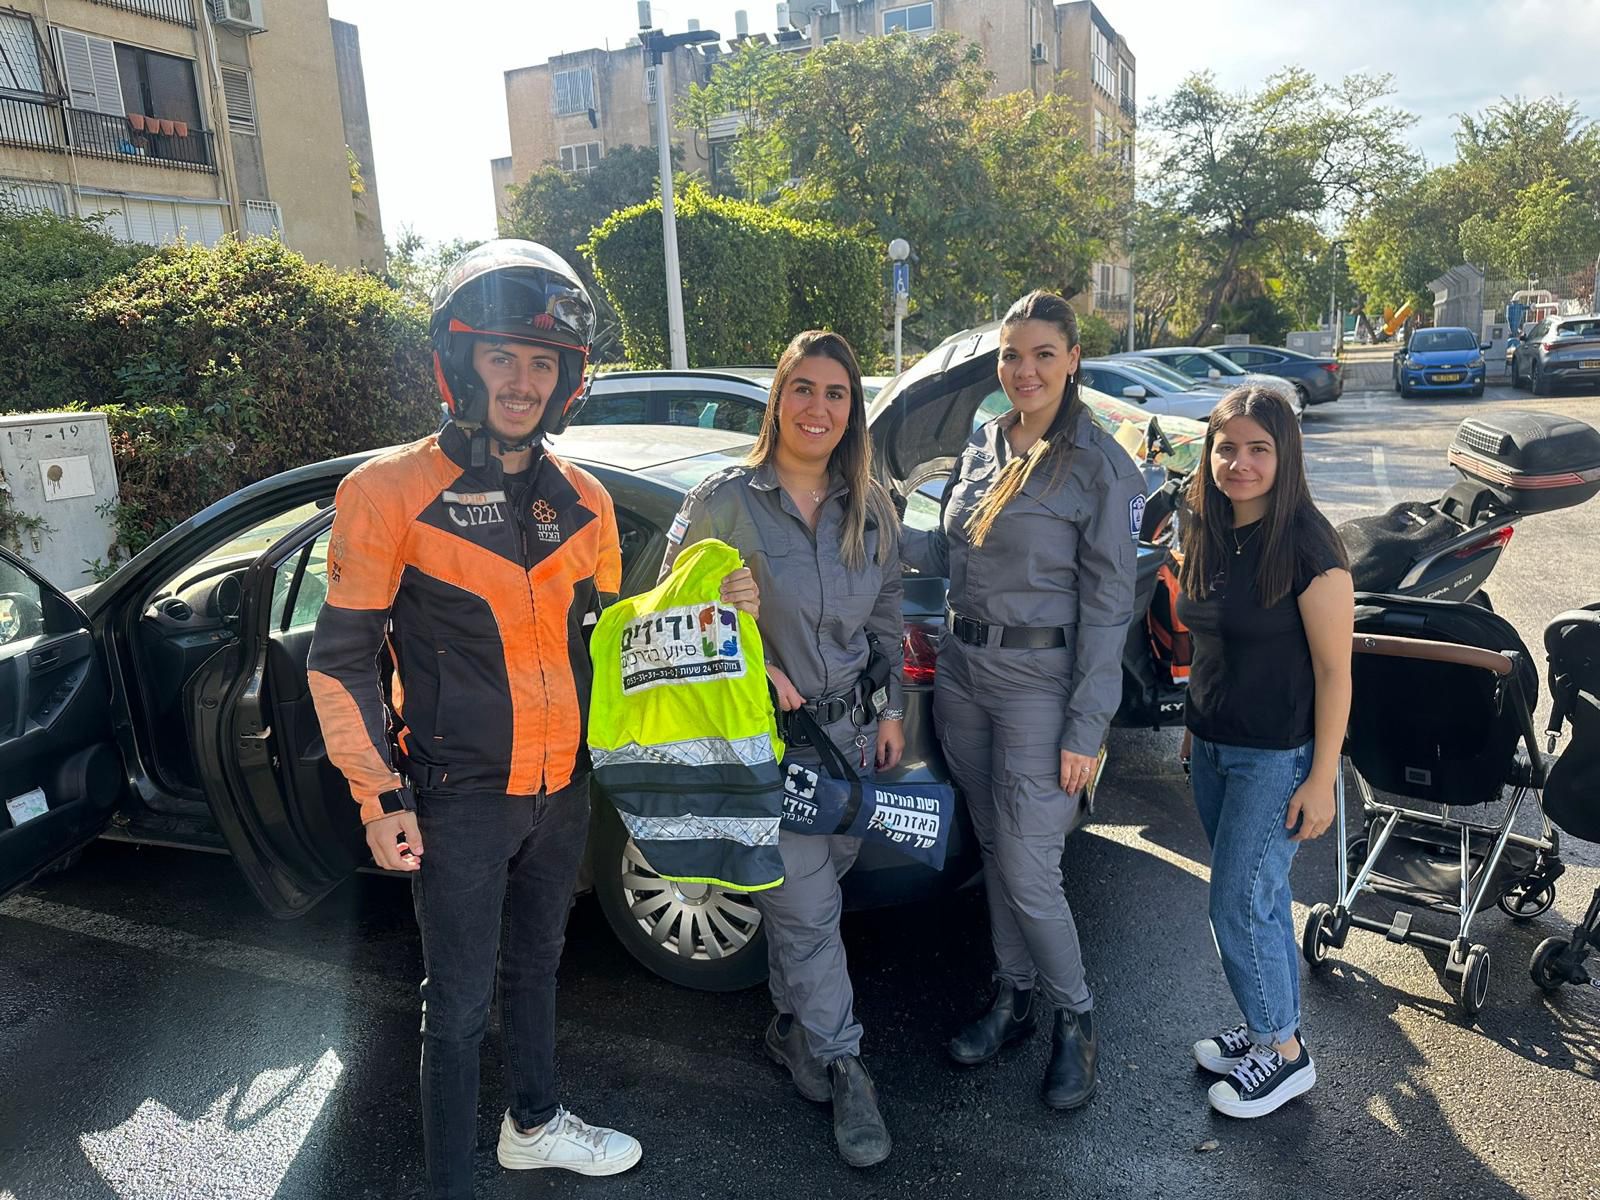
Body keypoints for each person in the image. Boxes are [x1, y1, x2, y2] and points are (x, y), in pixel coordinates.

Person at [306, 240, 757, 1198]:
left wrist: (714, 604)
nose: (521, 381)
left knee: (537, 968)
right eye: (502, 356)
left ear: (567, 379)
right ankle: (450, 1185)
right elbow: (339, 660)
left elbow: (617, 644)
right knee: (456, 1005)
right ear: (459, 359)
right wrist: (379, 796)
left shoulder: (585, 499)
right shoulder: (384, 493)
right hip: (457, 796)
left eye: (542, 363)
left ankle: (535, 1124)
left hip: (562, 790)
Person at [660, 329, 904, 1168]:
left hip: (851, 743)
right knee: (809, 913)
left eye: (836, 393)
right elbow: (662, 618)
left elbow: (886, 620)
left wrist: (892, 711)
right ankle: (845, 1066)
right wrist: (734, 630)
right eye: (803, 388)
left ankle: (791, 1025)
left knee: (812, 897)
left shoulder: (873, 506)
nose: (817, 408)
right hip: (766, 747)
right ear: (778, 397)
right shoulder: (723, 500)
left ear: (852, 410)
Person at [900, 290, 1143, 1110]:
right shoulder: (982, 443)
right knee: (997, 847)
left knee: (1033, 868)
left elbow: (1109, 610)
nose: (1024, 369)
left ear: (1073, 358)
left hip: (1042, 686)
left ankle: (1077, 1017)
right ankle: (1013, 997)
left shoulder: (1100, 465)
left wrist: (1086, 727)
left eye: (1043, 353)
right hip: (964, 674)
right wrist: (869, 526)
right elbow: (947, 551)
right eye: (1011, 355)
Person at [1176, 385, 1353, 1119]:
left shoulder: (1310, 546)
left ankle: (1284, 1055)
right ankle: (1268, 1028)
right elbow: (1209, 642)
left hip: (1276, 758)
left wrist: (1322, 777)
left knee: (1236, 902)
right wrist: (1195, 727)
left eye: (1258, 449)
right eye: (1226, 448)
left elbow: (1335, 672)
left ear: (1286, 456)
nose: (1239, 463)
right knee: (1262, 898)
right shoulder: (1209, 528)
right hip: (1214, 747)